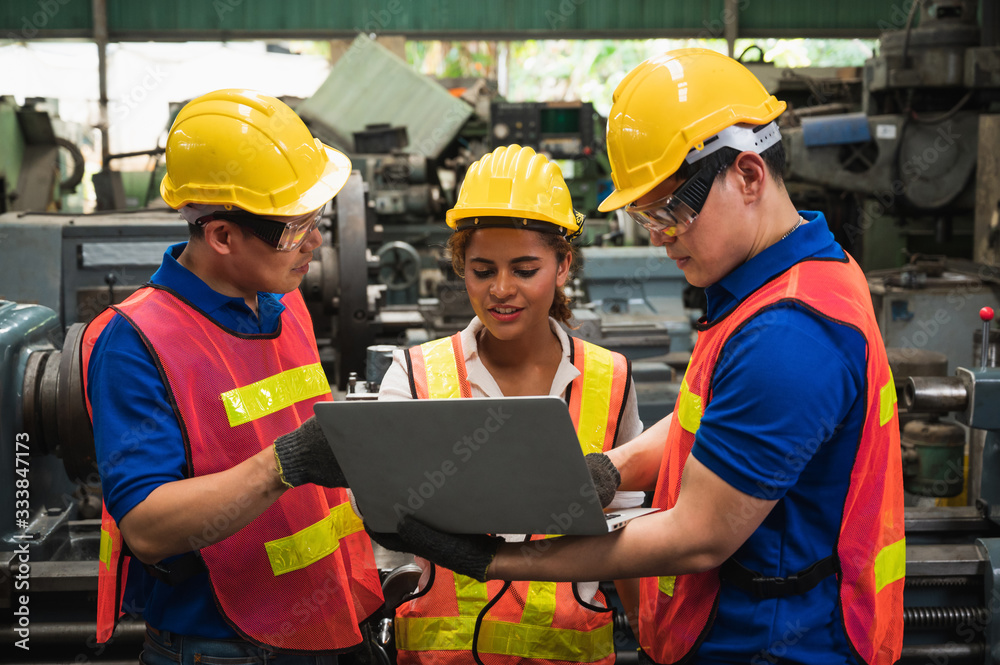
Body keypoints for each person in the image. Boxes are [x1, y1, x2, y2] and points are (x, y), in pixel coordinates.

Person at [368, 49, 905, 665]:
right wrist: (608, 471)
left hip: (772, 641)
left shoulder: (787, 334)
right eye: (644, 214)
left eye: (669, 210)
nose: (657, 235)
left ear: (750, 176)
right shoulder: (798, 278)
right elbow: (720, 425)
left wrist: (499, 560)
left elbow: (695, 538)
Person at [82, 89, 383, 664]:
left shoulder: (280, 302)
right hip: (222, 645)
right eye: (295, 228)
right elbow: (146, 526)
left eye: (315, 222)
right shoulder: (134, 340)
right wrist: (284, 463)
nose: (315, 243)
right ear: (222, 235)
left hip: (325, 620)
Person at [377, 144, 645, 665]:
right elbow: (388, 539)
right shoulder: (412, 376)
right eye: (482, 270)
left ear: (563, 264)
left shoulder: (610, 379)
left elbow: (631, 532)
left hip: (569, 652)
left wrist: (648, 635)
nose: (501, 290)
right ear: (461, 268)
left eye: (525, 270)